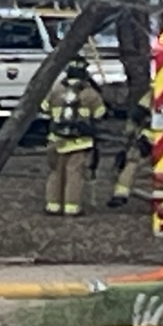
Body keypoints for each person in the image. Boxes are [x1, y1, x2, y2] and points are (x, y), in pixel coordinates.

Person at [42, 57, 107, 216]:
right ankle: (72, 207)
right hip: (80, 142)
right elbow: (100, 114)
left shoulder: (56, 90)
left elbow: (44, 108)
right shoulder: (90, 94)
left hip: (56, 140)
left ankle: (53, 206)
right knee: (74, 174)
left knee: (55, 172)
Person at [98, 81, 156, 209]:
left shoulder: (153, 93)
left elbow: (137, 115)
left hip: (148, 138)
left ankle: (120, 194)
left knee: (132, 164)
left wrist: (129, 133)